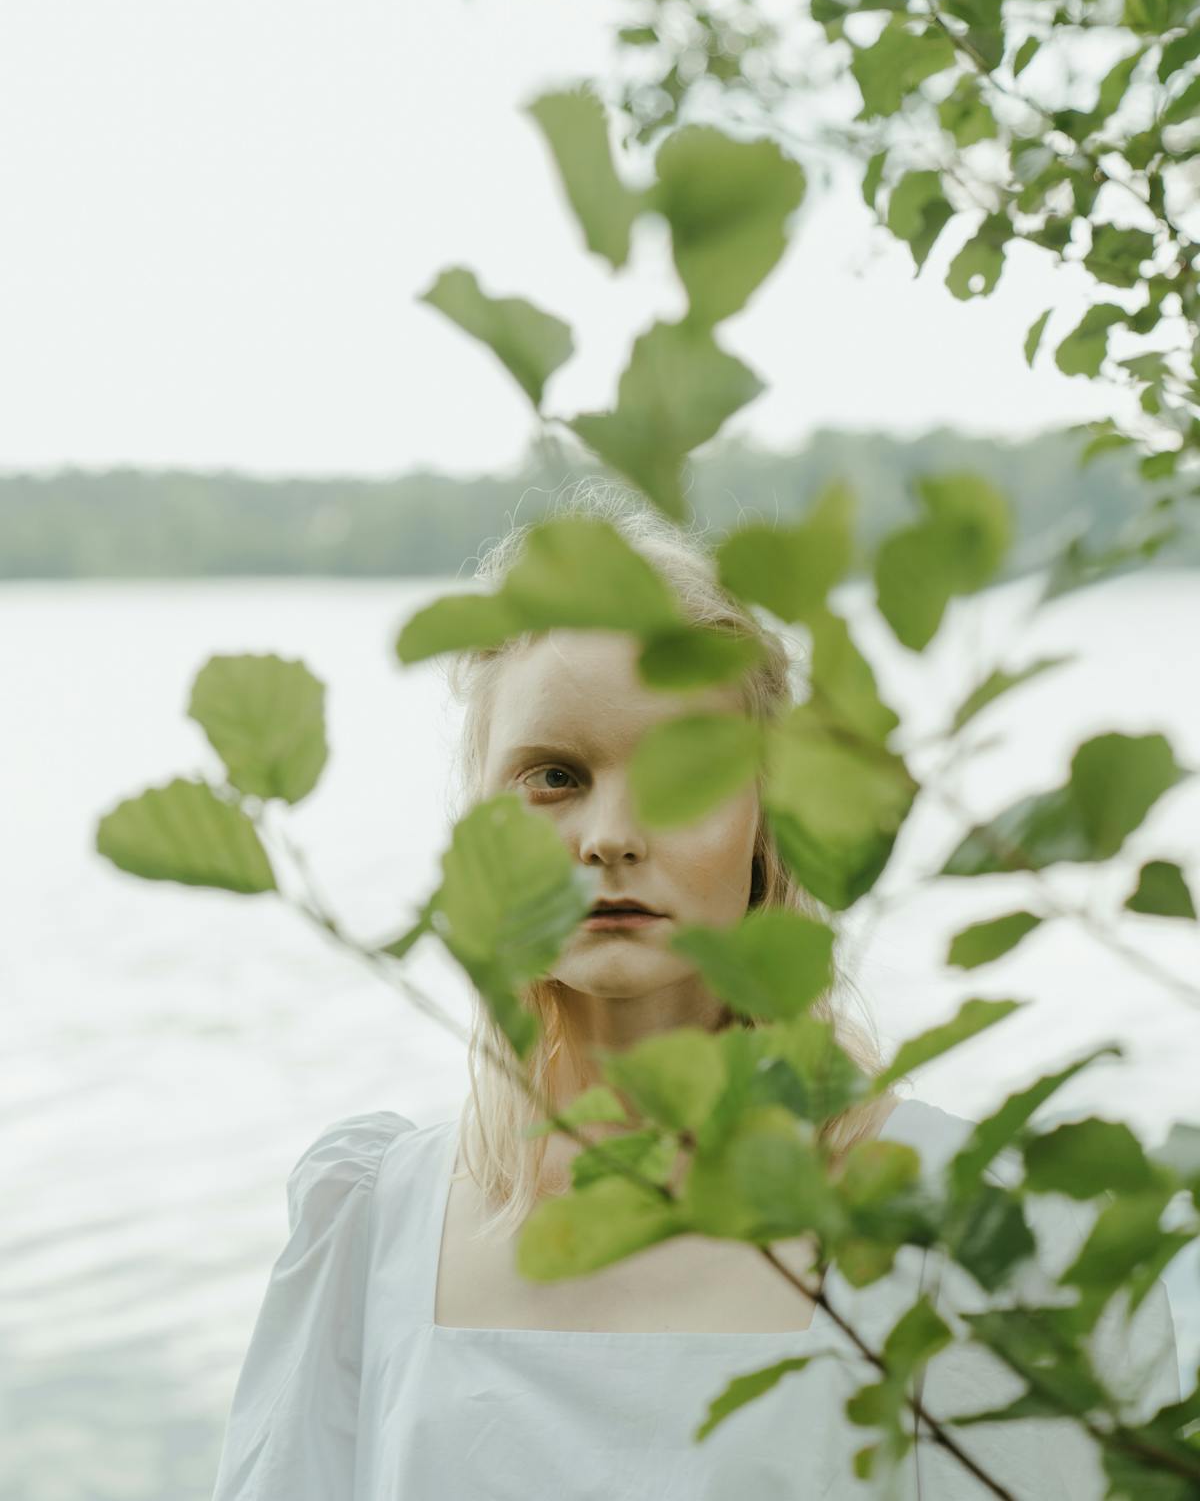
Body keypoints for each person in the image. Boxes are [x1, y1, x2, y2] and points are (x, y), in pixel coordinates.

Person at [210, 480, 1180, 1499]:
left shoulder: (966, 1228)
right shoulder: (374, 1227)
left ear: (768, 824)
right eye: (552, 777)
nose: (610, 837)